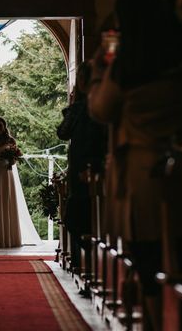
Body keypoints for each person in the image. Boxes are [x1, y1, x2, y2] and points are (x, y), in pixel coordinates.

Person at [88, 0, 182, 331]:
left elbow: (102, 109)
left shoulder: (128, 63)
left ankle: (154, 323)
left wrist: (97, 73)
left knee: (147, 256)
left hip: (141, 169)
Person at [57, 62, 107, 265]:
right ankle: (89, 262)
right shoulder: (99, 105)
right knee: (84, 217)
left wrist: (71, 108)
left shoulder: (81, 108)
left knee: (78, 217)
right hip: (92, 164)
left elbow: (62, 131)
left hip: (86, 166)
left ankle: (89, 263)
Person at [0, 117, 42, 247]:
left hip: (6, 174)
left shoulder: (11, 140)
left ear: (4, 126)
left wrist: (12, 159)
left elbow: (15, 160)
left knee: (6, 203)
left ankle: (8, 238)